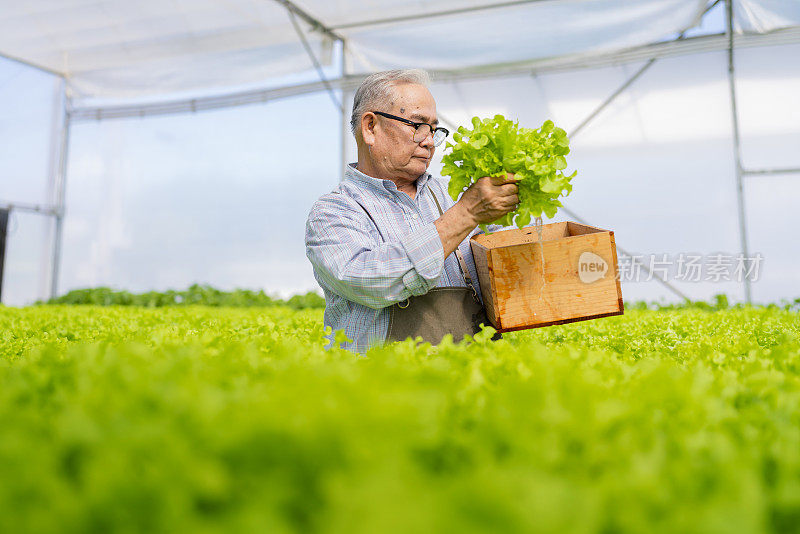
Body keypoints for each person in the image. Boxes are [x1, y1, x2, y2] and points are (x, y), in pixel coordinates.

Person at [305, 69, 518, 353]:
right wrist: (466, 215)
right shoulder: (334, 212)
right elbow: (374, 280)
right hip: (382, 388)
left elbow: (511, 275)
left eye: (434, 129)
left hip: (473, 384)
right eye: (417, 125)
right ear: (371, 127)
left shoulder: (453, 195)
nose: (429, 140)